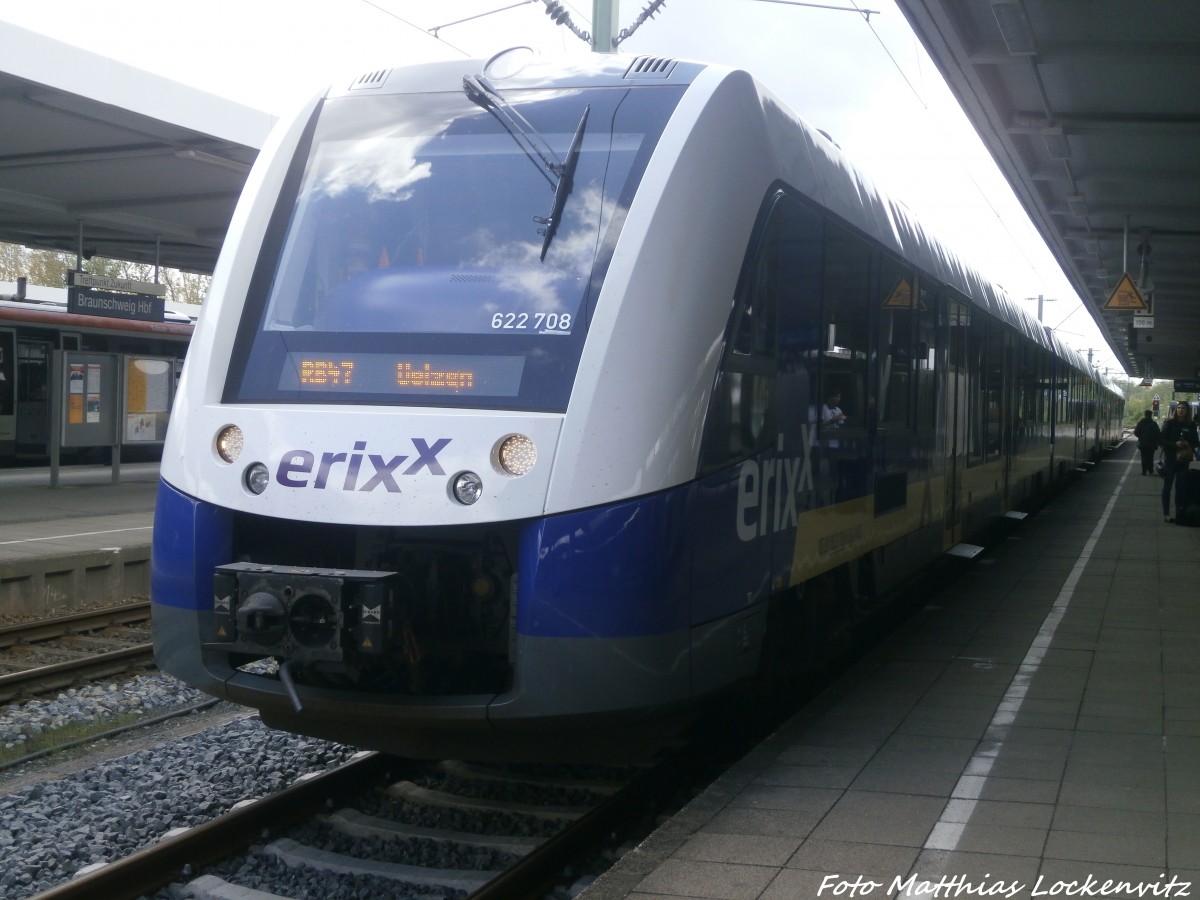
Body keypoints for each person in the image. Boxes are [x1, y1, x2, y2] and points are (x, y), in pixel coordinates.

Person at [1160, 402, 1199, 522]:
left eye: (1183, 408)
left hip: (1183, 460)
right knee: (1167, 487)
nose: (1180, 410)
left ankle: (1179, 514)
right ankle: (1166, 514)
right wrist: (1174, 444)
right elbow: (1161, 440)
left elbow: (1196, 442)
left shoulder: (1191, 425)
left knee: (1181, 488)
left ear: (1188, 411)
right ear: (1176, 410)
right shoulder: (1170, 423)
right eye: (1179, 408)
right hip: (1171, 459)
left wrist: (1188, 443)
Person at [1133, 409, 1161, 475]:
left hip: (1143, 443)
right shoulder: (1154, 424)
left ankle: (1144, 471)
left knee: (1144, 457)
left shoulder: (1140, 423)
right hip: (1152, 444)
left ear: (1144, 415)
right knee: (1150, 457)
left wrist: (1141, 437)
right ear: (1151, 415)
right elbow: (1158, 433)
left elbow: (1136, 432)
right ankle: (1150, 470)